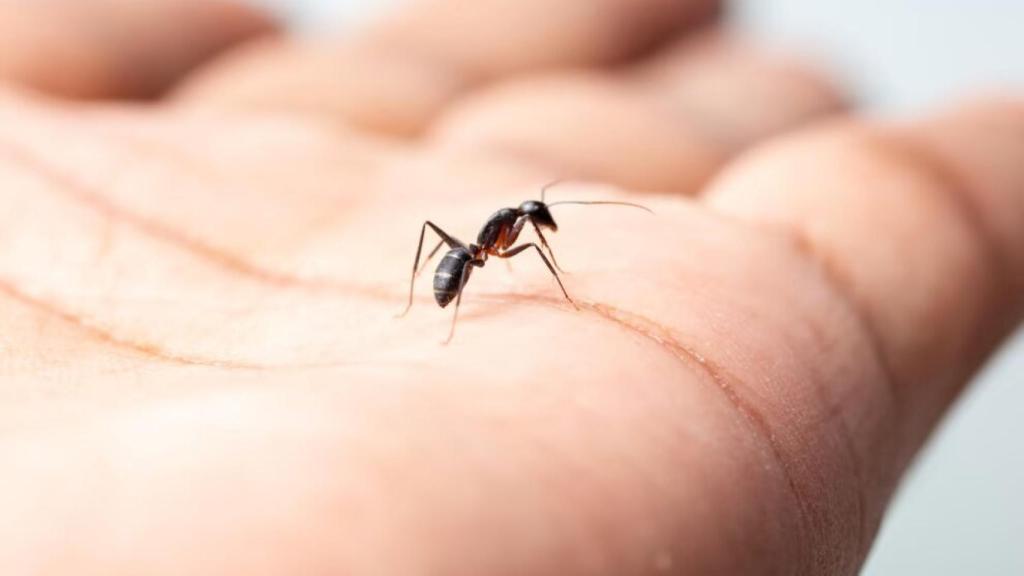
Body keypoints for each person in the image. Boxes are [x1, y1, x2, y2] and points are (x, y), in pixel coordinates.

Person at [0, 0, 1020, 574]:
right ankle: (424, 304)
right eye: (532, 227)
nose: (532, 235)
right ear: (514, 230)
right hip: (449, 277)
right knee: (448, 251)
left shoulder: (509, 229)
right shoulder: (490, 240)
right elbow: (497, 242)